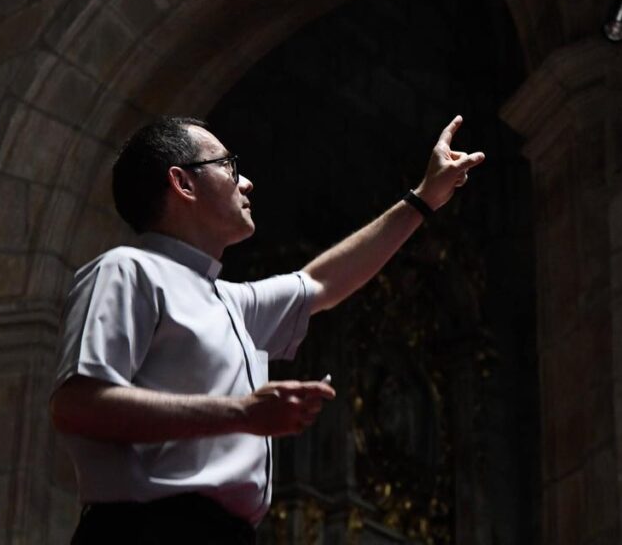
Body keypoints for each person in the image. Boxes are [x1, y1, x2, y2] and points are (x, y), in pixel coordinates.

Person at [49, 115, 484, 544]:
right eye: (228, 166)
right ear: (183, 184)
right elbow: (78, 404)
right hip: (146, 530)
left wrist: (425, 198)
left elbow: (322, 282)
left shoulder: (231, 301)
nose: (246, 182)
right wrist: (242, 413)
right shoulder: (126, 269)